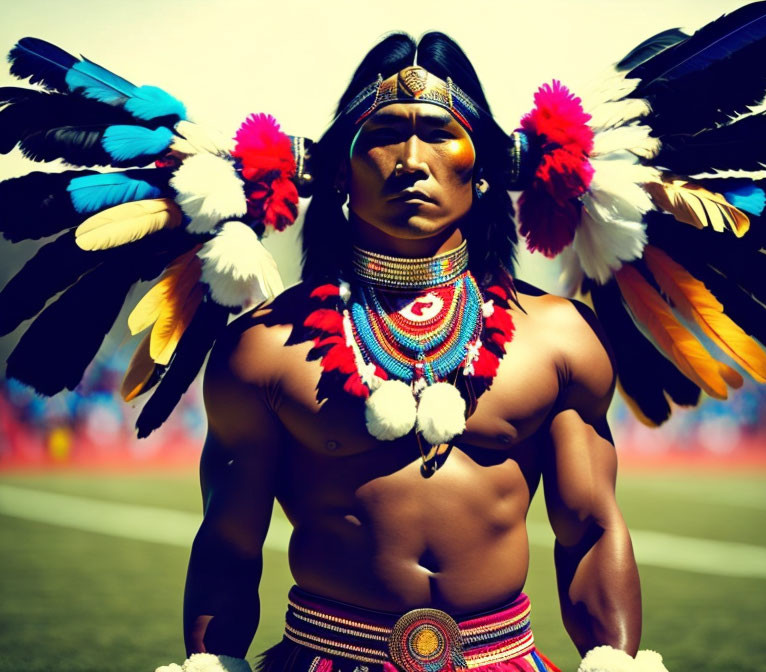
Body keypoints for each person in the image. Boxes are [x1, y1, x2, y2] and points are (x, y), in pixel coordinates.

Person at [178, 32, 649, 672]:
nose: (410, 160)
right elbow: (229, 545)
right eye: (382, 134)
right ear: (339, 170)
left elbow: (591, 529)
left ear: (484, 167)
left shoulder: (560, 337)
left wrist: (614, 662)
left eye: (438, 132)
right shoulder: (263, 349)